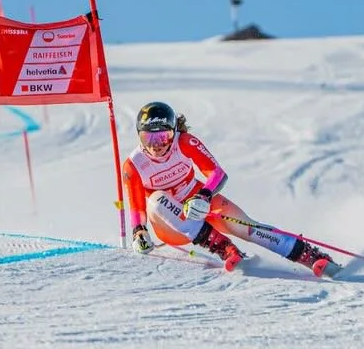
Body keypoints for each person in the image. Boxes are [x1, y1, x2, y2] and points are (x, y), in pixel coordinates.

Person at [121, 100, 338, 276]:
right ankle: (225, 248)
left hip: (197, 201)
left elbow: (217, 173)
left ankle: (309, 256)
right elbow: (137, 206)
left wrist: (204, 195)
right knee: (157, 200)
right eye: (147, 137)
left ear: (174, 132)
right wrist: (139, 232)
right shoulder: (135, 164)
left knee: (246, 226)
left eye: (162, 136)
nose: (155, 145)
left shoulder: (185, 142)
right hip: (172, 225)